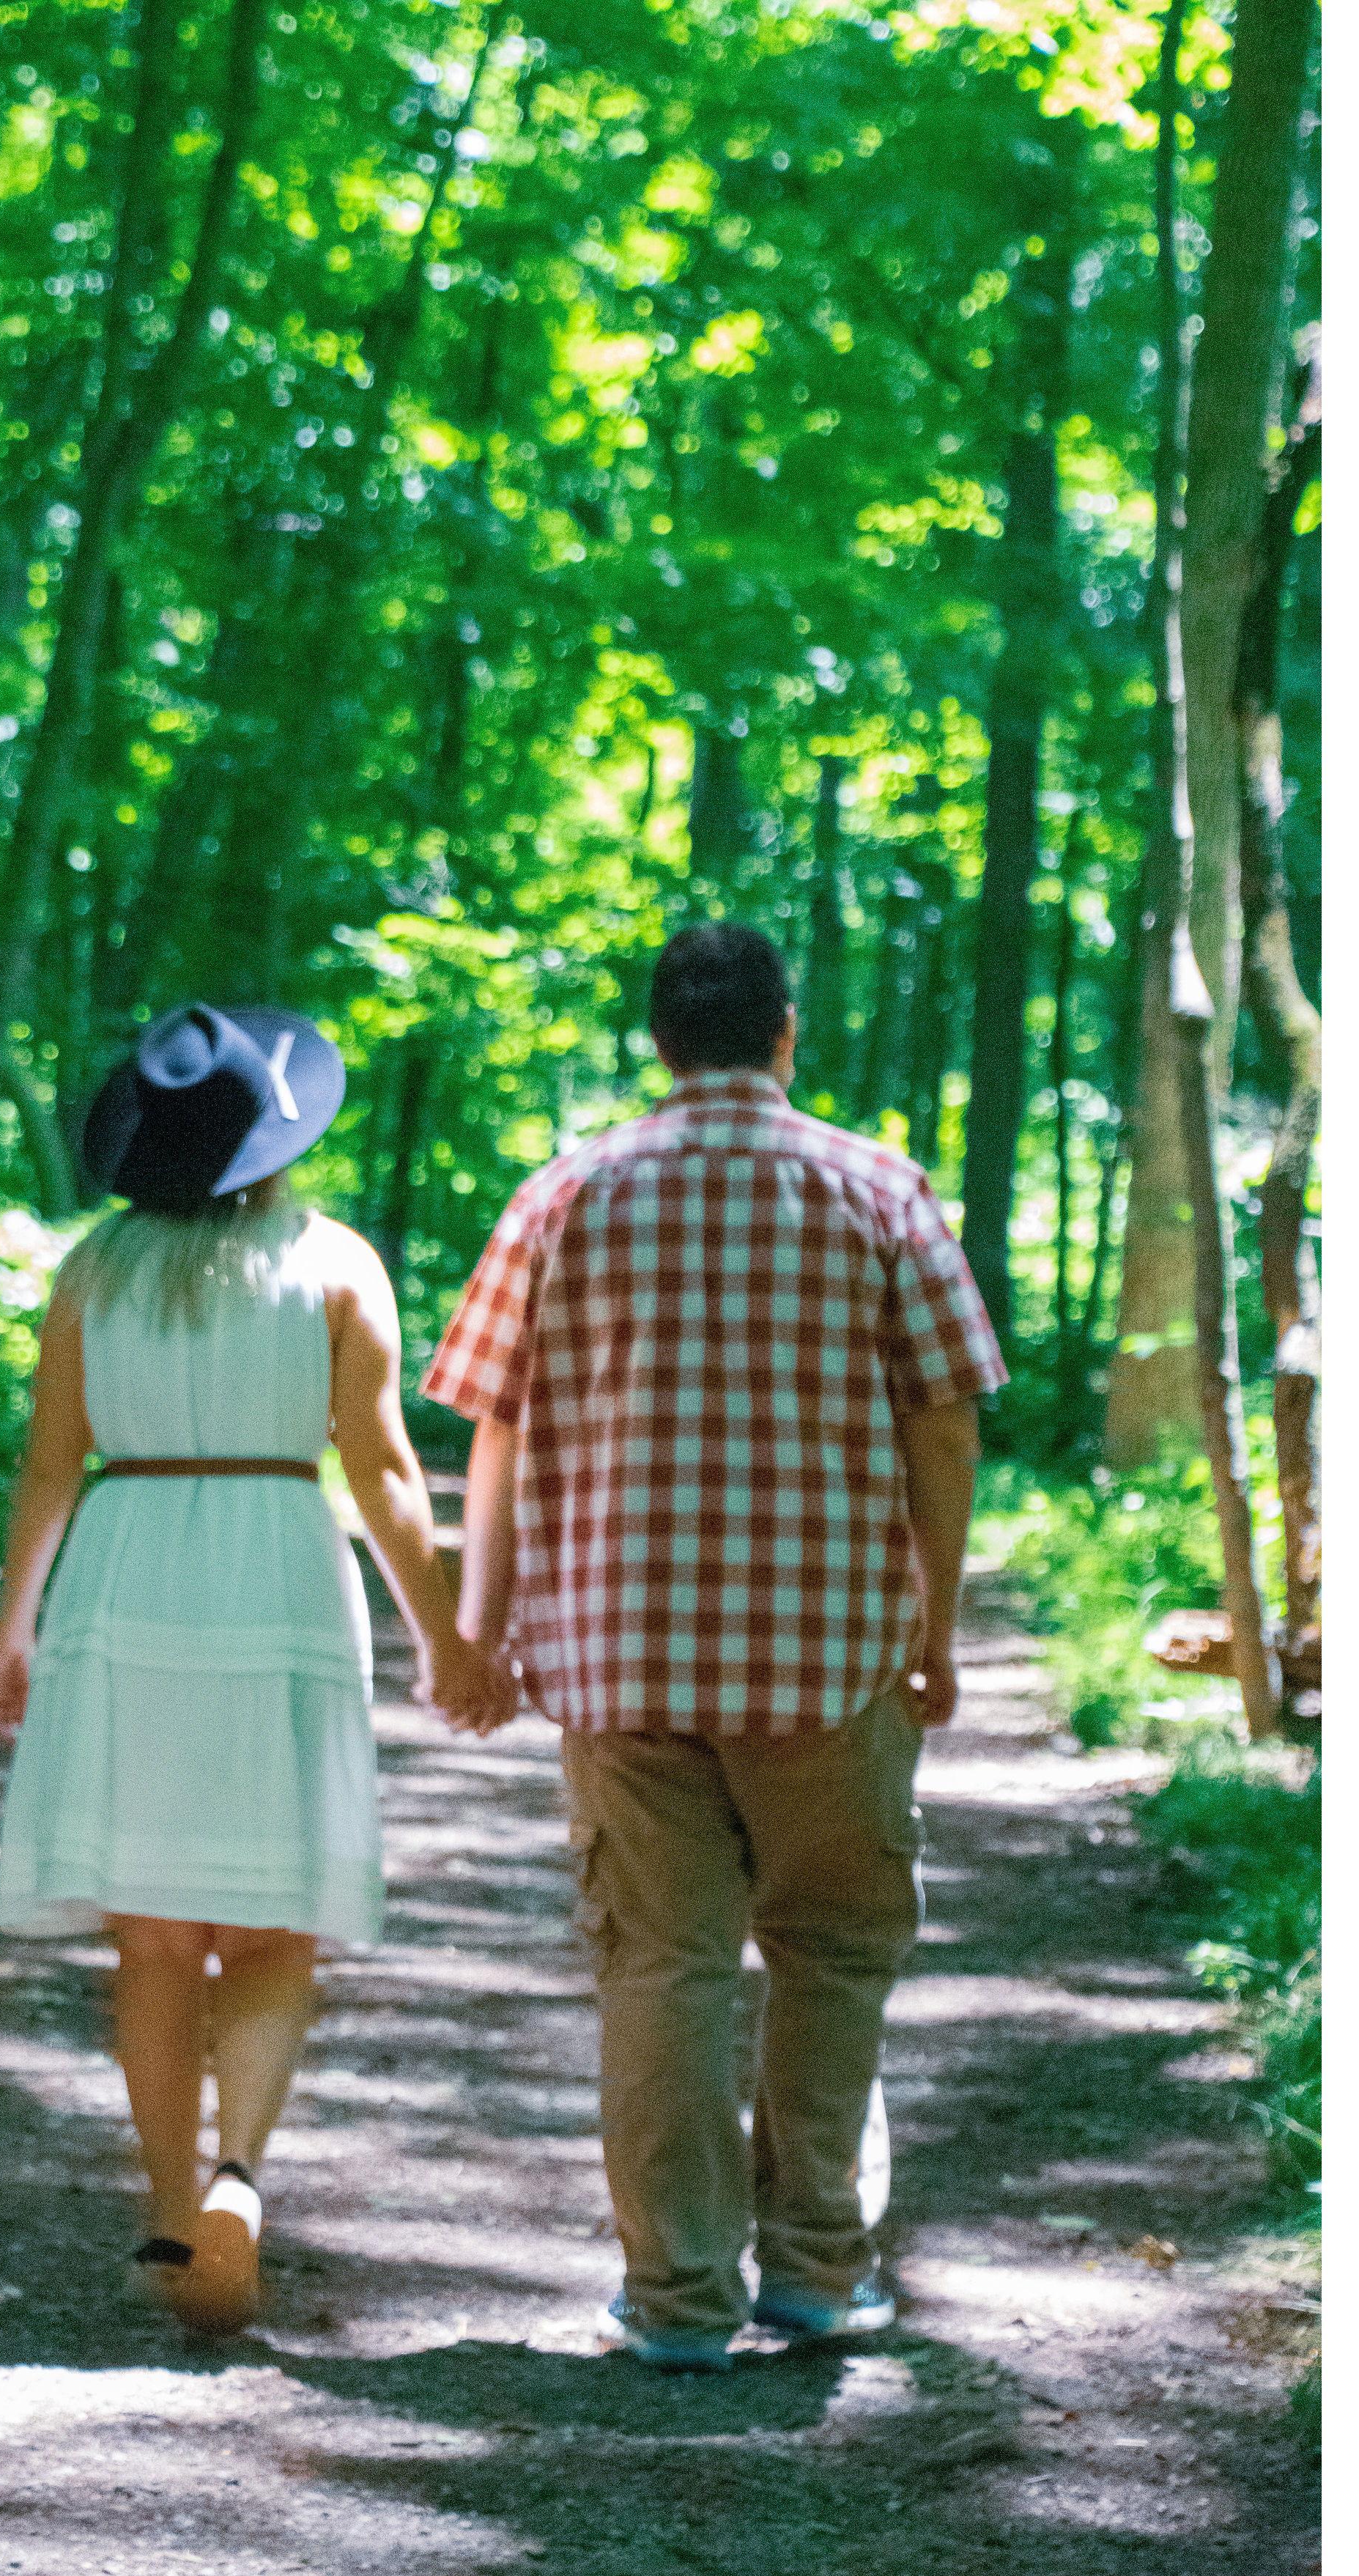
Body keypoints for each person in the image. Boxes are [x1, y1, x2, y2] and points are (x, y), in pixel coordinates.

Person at [423, 921, 1008, 2373]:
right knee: (832, 1954)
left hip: (619, 1663)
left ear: (660, 1043)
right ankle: (815, 2270)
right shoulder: (878, 1190)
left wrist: (478, 1628)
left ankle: (679, 2296)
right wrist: (935, 1626)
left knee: (663, 1967)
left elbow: (493, 1427)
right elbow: (945, 1423)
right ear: (785, 1033)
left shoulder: (566, 1194)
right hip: (833, 1658)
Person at [0, 1002, 517, 2336]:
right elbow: (383, 1470)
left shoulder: (95, 1272)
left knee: (153, 1933)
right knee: (273, 1923)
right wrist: (445, 1636)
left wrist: (12, 1628)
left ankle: (169, 2219)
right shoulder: (333, 1264)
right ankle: (239, 2179)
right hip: (278, 1571)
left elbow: (51, 1461)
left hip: (128, 1572)